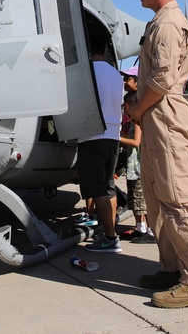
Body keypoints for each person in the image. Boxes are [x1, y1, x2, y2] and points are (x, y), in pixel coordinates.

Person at [127, 0, 188, 309]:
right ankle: (172, 267)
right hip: (156, 114)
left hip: (163, 113)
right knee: (157, 195)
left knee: (179, 196)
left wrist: (136, 110)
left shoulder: (167, 24)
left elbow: (162, 80)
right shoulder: (161, 22)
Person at [77, 30, 124, 253]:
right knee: (109, 187)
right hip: (113, 136)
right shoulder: (116, 75)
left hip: (92, 134)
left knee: (99, 190)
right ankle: (110, 231)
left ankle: (110, 237)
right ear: (105, 50)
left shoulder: (84, 73)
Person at [118, 89, 153, 243]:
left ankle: (148, 231)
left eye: (125, 105)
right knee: (135, 201)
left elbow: (136, 142)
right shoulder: (132, 123)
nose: (124, 109)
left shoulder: (138, 122)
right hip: (133, 169)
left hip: (138, 169)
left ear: (132, 105)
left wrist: (116, 137)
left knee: (140, 201)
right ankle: (140, 228)